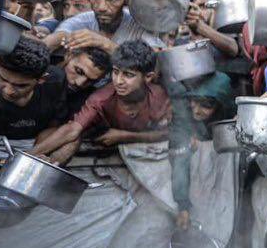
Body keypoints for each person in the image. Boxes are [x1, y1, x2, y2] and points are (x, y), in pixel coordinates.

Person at [33, 41, 171, 163]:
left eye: (128, 75)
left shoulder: (163, 97)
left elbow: (177, 133)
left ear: (148, 77)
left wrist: (125, 136)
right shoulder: (101, 98)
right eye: (116, 72)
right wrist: (29, 156)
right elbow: (72, 129)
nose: (119, 81)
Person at [0, 37, 67, 163]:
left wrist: (30, 156)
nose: (8, 91)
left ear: (41, 79)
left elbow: (55, 127)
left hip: (35, 144)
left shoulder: (56, 82)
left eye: (21, 85)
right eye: (4, 80)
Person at [45, 0, 166, 53]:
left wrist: (104, 44)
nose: (101, 7)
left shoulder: (139, 25)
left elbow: (155, 66)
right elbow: (50, 43)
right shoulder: (81, 21)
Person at [169, 71, 234, 230]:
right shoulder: (184, 119)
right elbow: (180, 164)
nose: (196, 110)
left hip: (227, 183)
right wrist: (183, 205)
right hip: (194, 182)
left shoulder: (232, 116)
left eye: (206, 105)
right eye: (194, 101)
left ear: (221, 104)